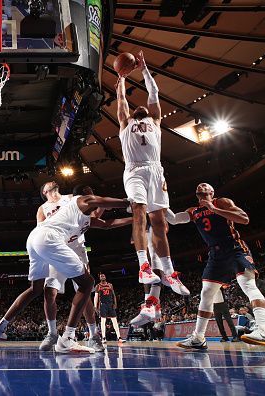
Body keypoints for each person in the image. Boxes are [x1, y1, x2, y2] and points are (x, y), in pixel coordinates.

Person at [0, 194, 131, 353]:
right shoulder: (65, 202)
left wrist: (131, 218)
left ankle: (0, 327)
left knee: (43, 289)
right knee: (80, 285)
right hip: (53, 242)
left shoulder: (76, 207)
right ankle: (61, 336)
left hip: (51, 242)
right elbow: (98, 204)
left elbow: (103, 222)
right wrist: (128, 204)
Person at [170, 183, 265, 349]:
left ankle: (264, 332)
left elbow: (244, 219)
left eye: (206, 185)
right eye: (199, 186)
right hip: (216, 254)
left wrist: (214, 208)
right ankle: (198, 337)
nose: (201, 185)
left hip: (234, 247)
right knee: (206, 293)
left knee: (248, 285)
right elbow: (173, 220)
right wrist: (158, 205)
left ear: (212, 192)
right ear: (197, 195)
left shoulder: (222, 202)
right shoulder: (193, 211)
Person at [115, 51, 185, 291]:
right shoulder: (125, 123)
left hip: (156, 171)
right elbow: (121, 100)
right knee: (139, 211)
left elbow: (154, 93)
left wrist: (144, 69)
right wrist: (122, 78)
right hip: (134, 171)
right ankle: (144, 266)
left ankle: (168, 271)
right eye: (136, 107)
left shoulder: (155, 121)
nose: (140, 106)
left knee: (158, 220)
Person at [39, 183, 132, 352]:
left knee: (85, 291)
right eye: (48, 185)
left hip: (77, 248)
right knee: (49, 290)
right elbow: (41, 231)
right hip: (57, 247)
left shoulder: (71, 198)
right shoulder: (42, 209)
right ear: (44, 192)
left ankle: (93, 335)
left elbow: (97, 217)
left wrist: (132, 216)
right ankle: (52, 333)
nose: (53, 182)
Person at [130, 214, 190, 327]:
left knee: (152, 269)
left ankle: (152, 305)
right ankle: (153, 306)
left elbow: (165, 227)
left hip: (156, 243)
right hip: (147, 244)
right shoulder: (138, 216)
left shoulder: (153, 210)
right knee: (149, 272)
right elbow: (133, 239)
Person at [94, 273, 125, 343]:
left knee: (115, 321)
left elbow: (113, 295)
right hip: (103, 305)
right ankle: (104, 338)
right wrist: (95, 306)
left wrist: (115, 303)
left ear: (105, 277)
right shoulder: (98, 286)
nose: (102, 277)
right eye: (101, 276)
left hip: (110, 304)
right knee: (103, 322)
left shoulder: (110, 285)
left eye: (103, 276)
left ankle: (119, 338)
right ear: (99, 278)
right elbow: (95, 297)